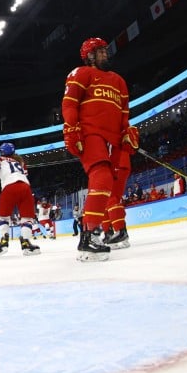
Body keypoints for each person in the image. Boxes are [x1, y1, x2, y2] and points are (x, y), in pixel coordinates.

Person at [62, 37, 137, 261]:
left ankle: (101, 233)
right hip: (90, 134)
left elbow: (124, 114)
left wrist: (127, 133)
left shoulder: (119, 81)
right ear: (89, 56)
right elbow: (69, 103)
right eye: (100, 51)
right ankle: (88, 237)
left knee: (110, 189)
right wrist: (71, 128)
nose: (105, 54)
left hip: (113, 141)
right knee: (102, 178)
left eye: (105, 51)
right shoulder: (81, 73)